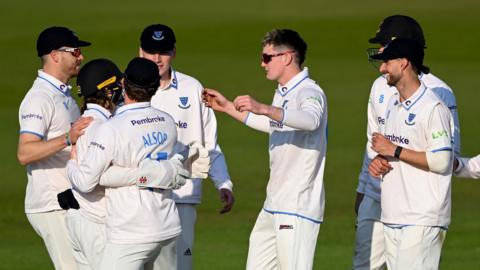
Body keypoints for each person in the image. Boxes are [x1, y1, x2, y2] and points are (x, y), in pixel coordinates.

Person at [203, 28, 327, 269]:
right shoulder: (284, 93)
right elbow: (273, 125)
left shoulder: (310, 91)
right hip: (273, 204)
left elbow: (311, 120)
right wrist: (228, 107)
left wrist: (265, 108)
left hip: (296, 206)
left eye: (267, 57)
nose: (262, 63)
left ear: (287, 57)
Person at [352, 15, 460, 270]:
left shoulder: (438, 96)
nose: (379, 56)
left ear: (403, 58)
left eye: (384, 49)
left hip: (418, 209)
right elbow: (375, 143)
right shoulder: (383, 91)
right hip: (383, 200)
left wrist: (396, 152)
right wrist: (364, 188)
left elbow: (447, 157)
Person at [66, 57, 183, 270]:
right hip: (167, 225)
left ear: (123, 85)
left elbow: (85, 182)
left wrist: (72, 162)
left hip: (130, 231)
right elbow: (175, 167)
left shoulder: (111, 128)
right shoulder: (168, 122)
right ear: (156, 87)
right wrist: (155, 173)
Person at [137, 24, 234, 270]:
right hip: (139, 195)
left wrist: (223, 182)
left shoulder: (193, 89)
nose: (157, 58)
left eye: (163, 51)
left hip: (183, 193)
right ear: (140, 52)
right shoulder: (128, 89)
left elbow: (209, 142)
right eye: (150, 51)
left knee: (180, 265)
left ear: (174, 52)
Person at [17, 26, 91, 270]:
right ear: (56, 55)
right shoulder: (40, 98)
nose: (81, 57)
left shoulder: (63, 94)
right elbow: (24, 153)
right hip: (50, 203)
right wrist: (67, 138)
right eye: (76, 51)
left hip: (68, 200)